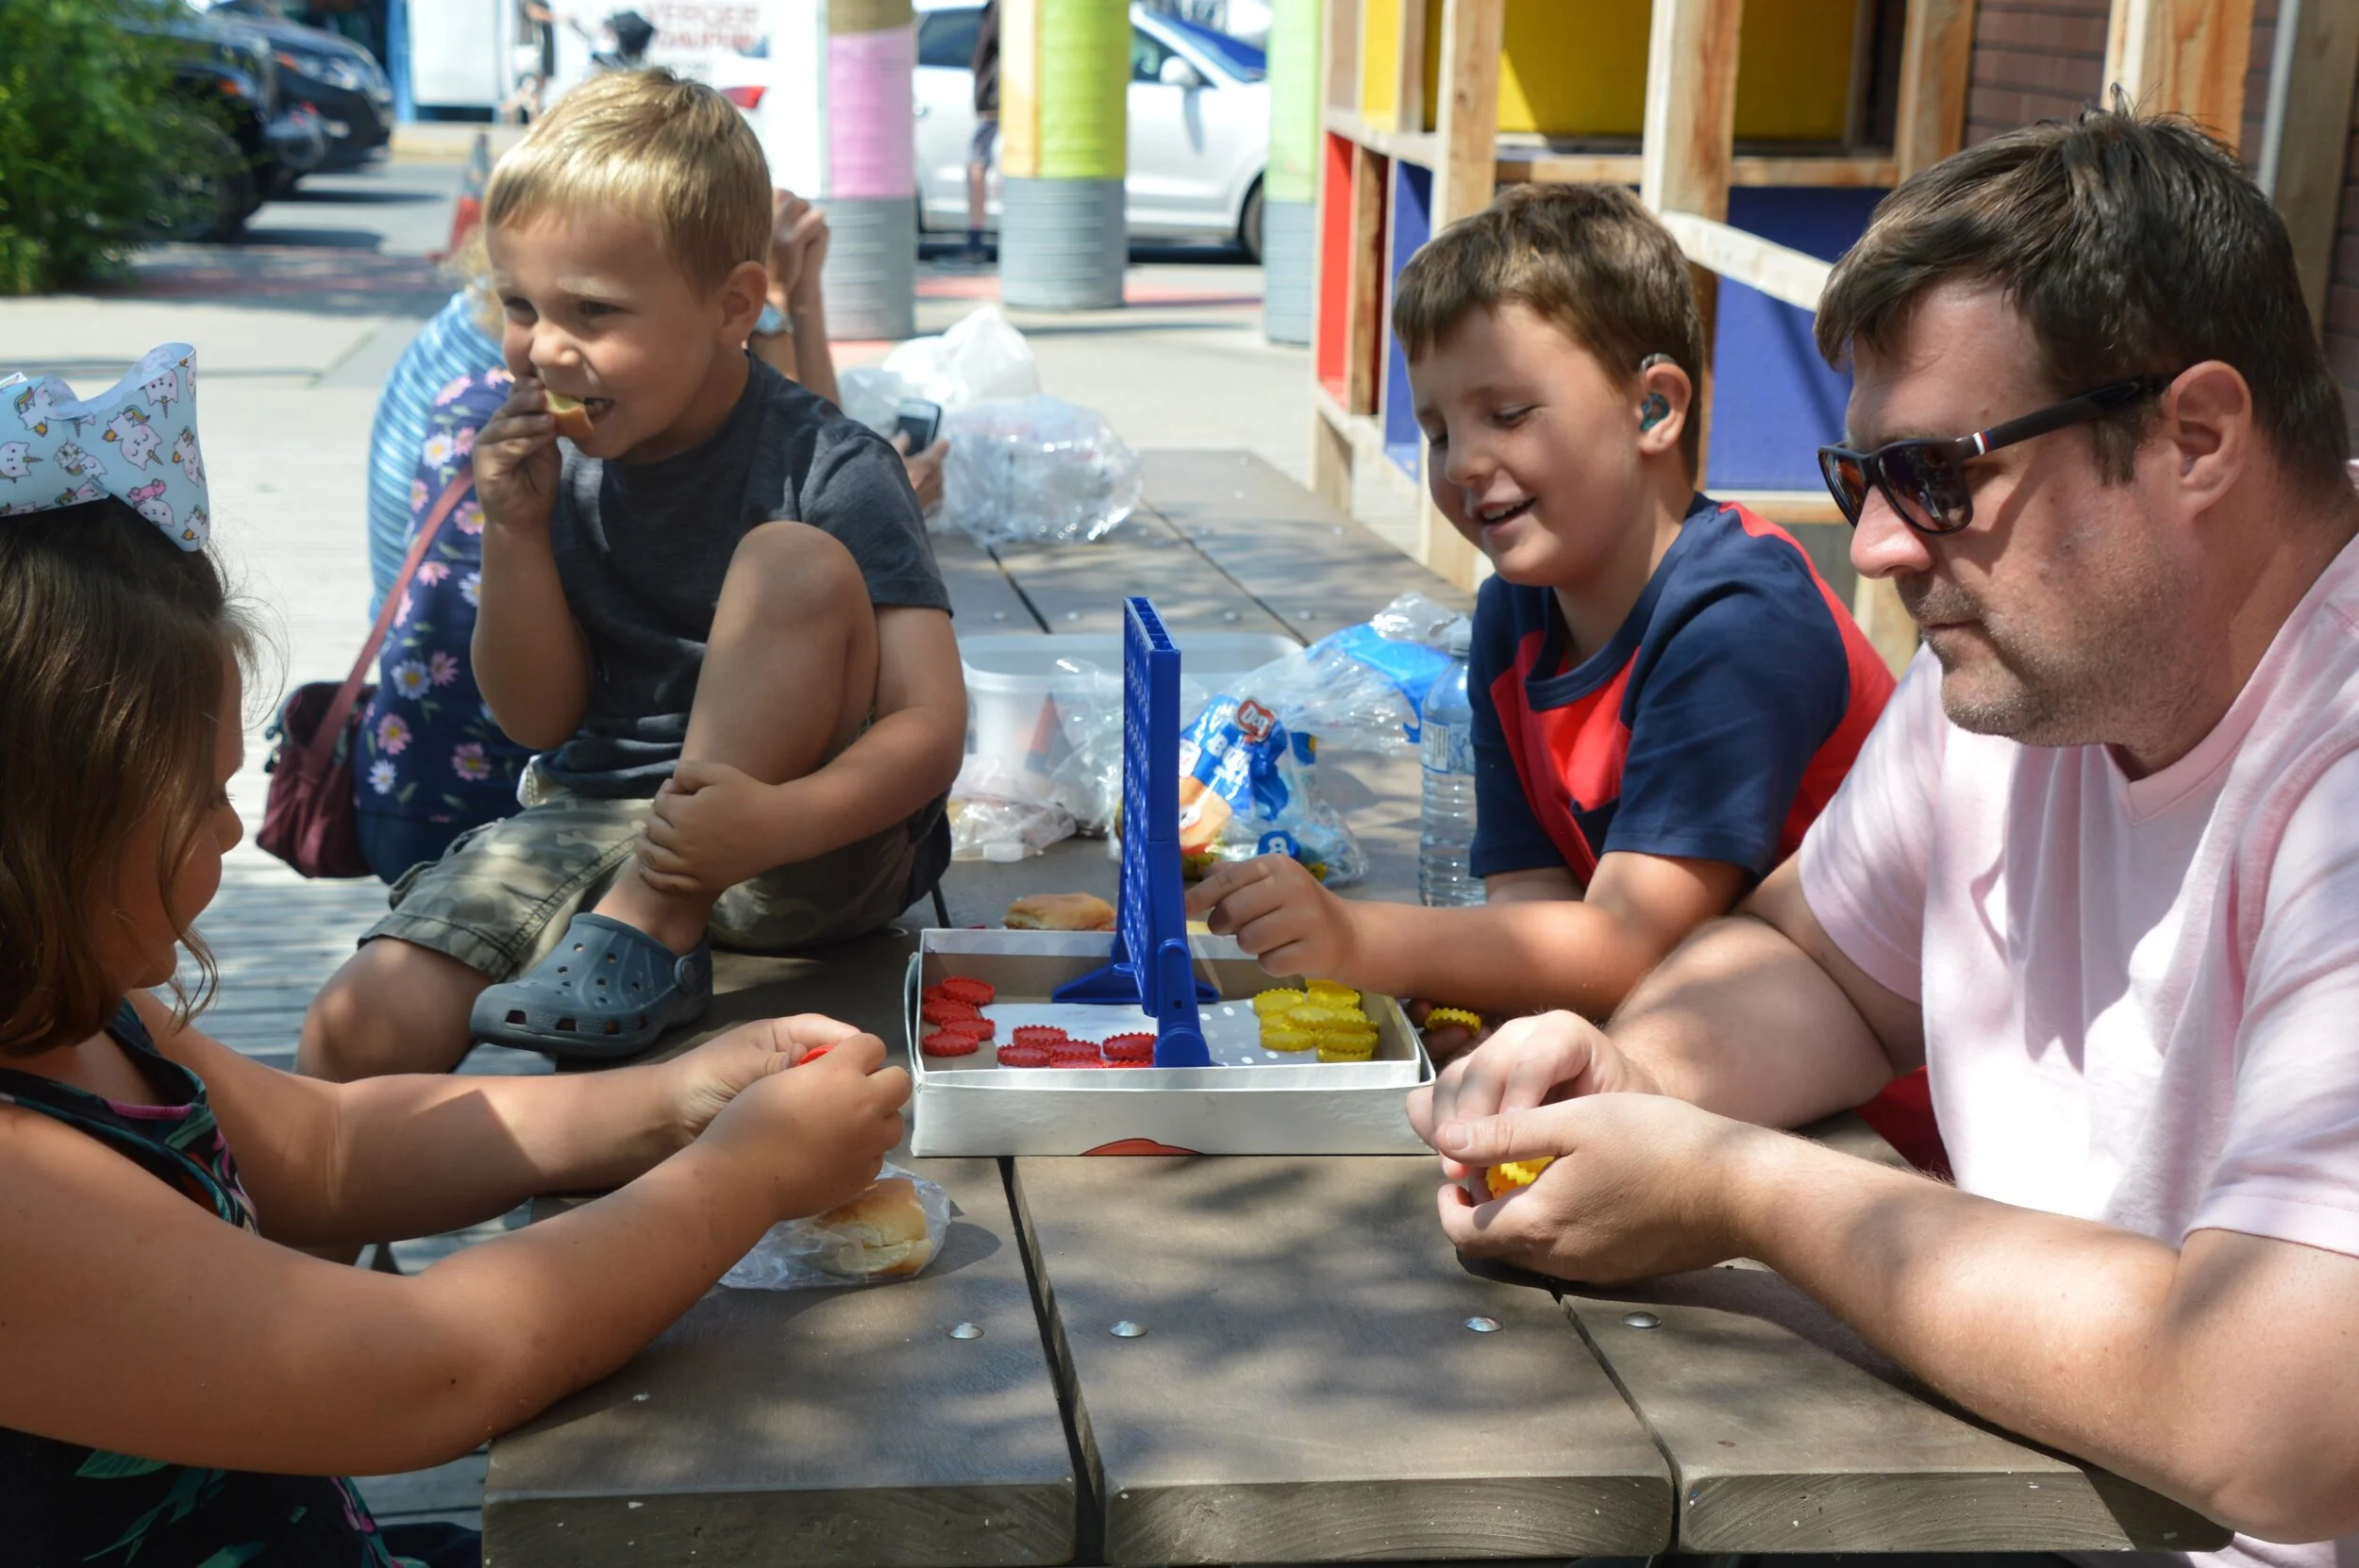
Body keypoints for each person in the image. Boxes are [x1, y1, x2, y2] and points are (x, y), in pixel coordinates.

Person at [1413, 110, 2359, 1568]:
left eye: (1940, 475)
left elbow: (2278, 1421)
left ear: (2198, 437)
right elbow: (1821, 965)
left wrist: (1731, 1182)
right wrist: (1628, 1075)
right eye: (1867, 479)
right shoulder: (2023, 672)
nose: (1878, 548)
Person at [0, 375, 911, 1563]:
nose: (230, 831)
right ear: (36, 831)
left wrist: (673, 1102)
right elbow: (428, 1369)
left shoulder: (88, 1020)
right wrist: (746, 1176)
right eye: (197, 800)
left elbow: (331, 1148)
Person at [1186, 184, 1910, 1130]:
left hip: (1869, 1121)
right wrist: (1491, 1007)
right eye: (1439, 430)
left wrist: (1357, 938)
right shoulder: (1513, 615)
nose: (1459, 462)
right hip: (1679, 1076)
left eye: (1507, 413)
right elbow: (1533, 904)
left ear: (1653, 408)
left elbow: (1624, 942)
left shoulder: (1739, 621)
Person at [301, 69, 966, 1080]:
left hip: (803, 845)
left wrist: (775, 819)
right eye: (521, 305)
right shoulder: (561, 467)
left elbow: (931, 723)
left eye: (593, 312)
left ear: (732, 306)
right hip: (598, 815)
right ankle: (307, 1192)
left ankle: (656, 918)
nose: (545, 350)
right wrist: (514, 532)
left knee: (787, 561)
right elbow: (536, 718)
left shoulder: (830, 465)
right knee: (358, 1022)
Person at [952, 0, 999, 270]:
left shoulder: (1005, 7)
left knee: (979, 166)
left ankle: (975, 242)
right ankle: (975, 241)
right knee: (978, 166)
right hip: (996, 102)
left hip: (999, 102)